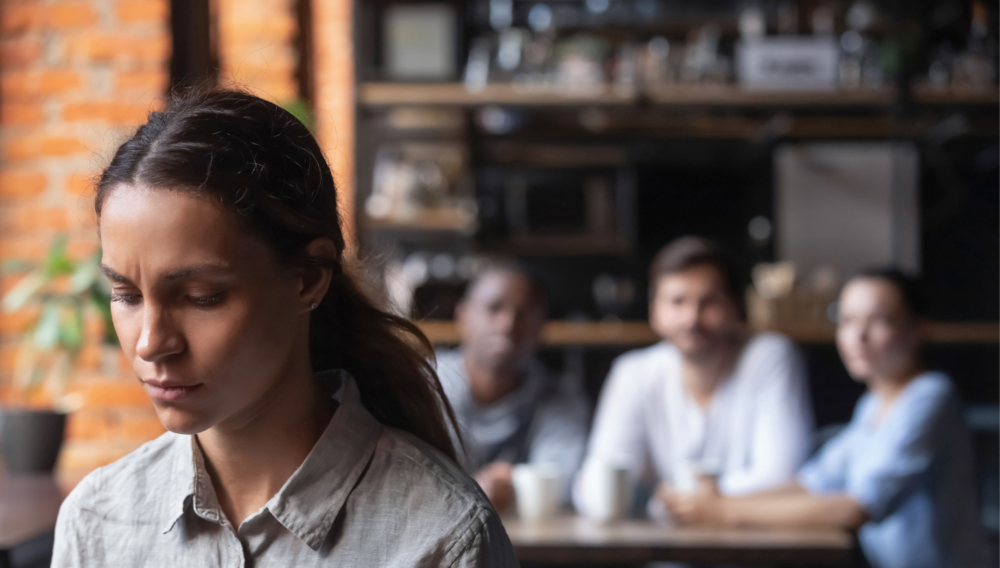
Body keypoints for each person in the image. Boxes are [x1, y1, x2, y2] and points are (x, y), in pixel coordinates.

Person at [51, 89, 518, 567]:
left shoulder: (441, 537)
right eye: (126, 295)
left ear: (309, 279)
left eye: (200, 297)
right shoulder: (96, 523)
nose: (151, 343)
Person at [665, 268, 989, 568]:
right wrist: (712, 500)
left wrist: (724, 511)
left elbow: (856, 508)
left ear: (918, 329)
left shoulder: (930, 397)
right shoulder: (873, 405)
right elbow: (812, 483)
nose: (858, 336)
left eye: (879, 321)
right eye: (847, 320)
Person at [576, 236, 813, 517]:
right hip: (669, 552)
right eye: (677, 302)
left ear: (735, 307)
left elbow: (783, 476)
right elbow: (597, 480)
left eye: (709, 302)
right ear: (655, 312)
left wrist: (692, 501)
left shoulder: (769, 356)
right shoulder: (634, 372)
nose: (691, 318)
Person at [436, 266, 590, 510]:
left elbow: (564, 481)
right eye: (493, 308)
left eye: (525, 313)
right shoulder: (421, 385)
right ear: (462, 316)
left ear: (542, 327)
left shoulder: (562, 397)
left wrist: (510, 486)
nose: (508, 324)